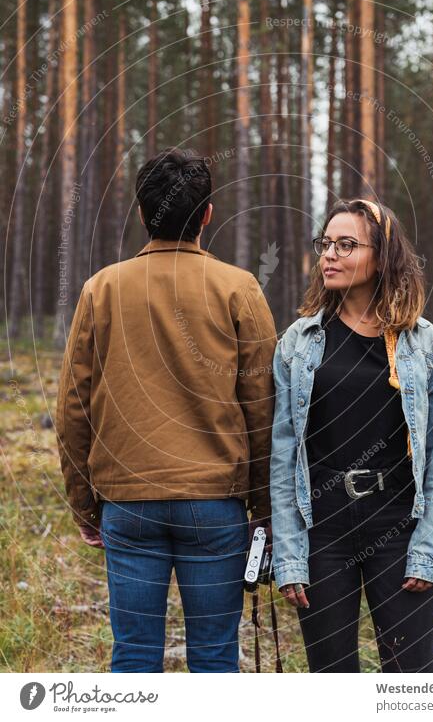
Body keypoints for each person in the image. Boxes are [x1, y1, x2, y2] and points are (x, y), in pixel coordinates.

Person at [56, 147, 277, 673]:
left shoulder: (101, 290)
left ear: (139, 212)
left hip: (126, 502)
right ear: (207, 213)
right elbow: (265, 407)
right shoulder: (238, 288)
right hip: (216, 503)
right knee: (215, 656)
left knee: (132, 656)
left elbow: (72, 407)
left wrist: (84, 503)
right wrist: (265, 510)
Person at [270, 198, 433, 673]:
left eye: (346, 245)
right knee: (333, 682)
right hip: (324, 527)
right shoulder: (299, 342)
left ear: (382, 256)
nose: (329, 254)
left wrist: (428, 549)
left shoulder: (421, 342)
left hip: (397, 524)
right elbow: (284, 453)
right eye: (326, 243)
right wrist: (290, 554)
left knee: (410, 678)